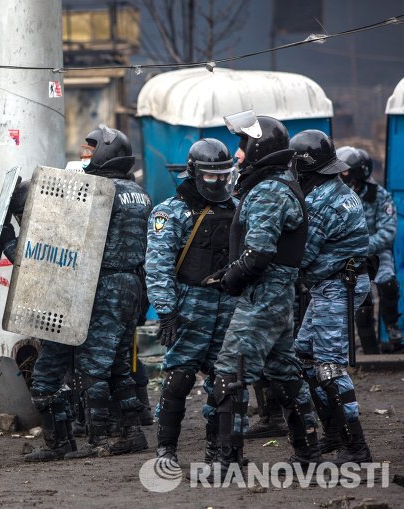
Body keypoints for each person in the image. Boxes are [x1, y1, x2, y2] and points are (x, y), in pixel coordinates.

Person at [24, 125, 152, 461]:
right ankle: (125, 432)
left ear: (106, 153)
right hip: (127, 285)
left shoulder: (102, 191)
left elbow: (64, 235)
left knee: (93, 366)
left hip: (99, 284)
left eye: (90, 149)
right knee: (118, 364)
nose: (86, 155)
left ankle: (98, 440)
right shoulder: (136, 192)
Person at [202, 113, 321, 472]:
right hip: (275, 295)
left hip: (264, 295)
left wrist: (230, 278)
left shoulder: (270, 189)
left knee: (229, 372)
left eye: (242, 147)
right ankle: (308, 454)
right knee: (284, 372)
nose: (238, 155)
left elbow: (259, 254)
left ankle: (227, 461)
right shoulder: (275, 184)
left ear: (259, 148)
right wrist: (232, 272)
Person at [145, 138, 240, 466]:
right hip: (190, 305)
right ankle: (166, 449)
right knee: (178, 377)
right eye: (211, 176)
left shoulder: (237, 208)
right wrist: (167, 311)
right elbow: (158, 265)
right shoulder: (170, 212)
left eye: (223, 175)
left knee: (224, 381)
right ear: (194, 173)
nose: (219, 182)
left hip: (228, 305)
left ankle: (218, 451)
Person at [290, 130, 373, 465]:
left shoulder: (321, 201)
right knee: (304, 356)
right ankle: (335, 434)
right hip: (333, 284)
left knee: (329, 367)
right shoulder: (335, 189)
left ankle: (357, 447)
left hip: (338, 285)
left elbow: (302, 256)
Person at [338, 146, 402, 354]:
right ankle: (369, 349)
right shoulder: (337, 196)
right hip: (349, 257)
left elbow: (388, 231)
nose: (341, 176)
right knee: (360, 299)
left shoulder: (379, 196)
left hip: (376, 252)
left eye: (345, 172)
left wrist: (362, 247)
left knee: (388, 283)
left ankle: (392, 328)